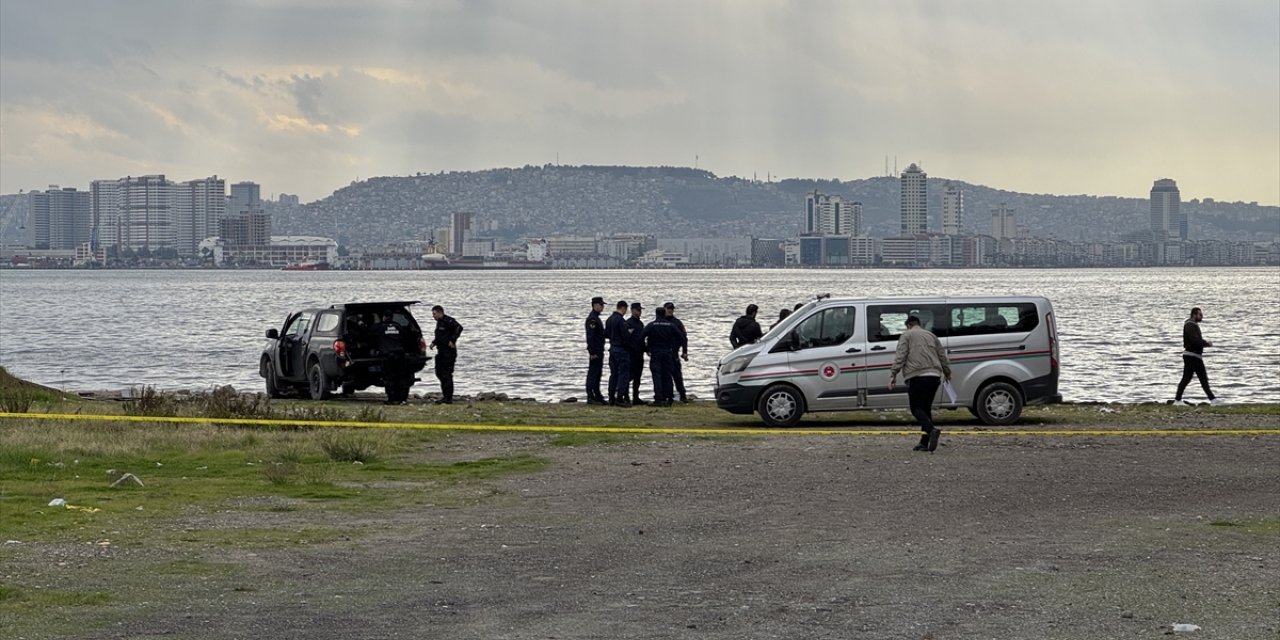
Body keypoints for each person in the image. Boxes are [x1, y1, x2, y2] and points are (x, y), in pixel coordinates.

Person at [888, 315, 952, 452]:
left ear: (908, 325)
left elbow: (901, 355)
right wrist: (947, 372)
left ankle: (931, 430)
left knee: (916, 408)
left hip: (918, 376)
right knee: (925, 409)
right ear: (919, 324)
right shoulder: (931, 335)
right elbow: (942, 355)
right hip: (934, 376)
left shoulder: (907, 335)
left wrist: (893, 374)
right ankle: (924, 442)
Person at [1172, 307, 1216, 405]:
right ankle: (1213, 400)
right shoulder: (1190, 325)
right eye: (1200, 315)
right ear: (1194, 314)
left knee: (1190, 378)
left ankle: (1178, 400)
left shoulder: (1192, 325)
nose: (1202, 317)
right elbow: (1195, 340)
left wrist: (1203, 344)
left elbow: (1196, 340)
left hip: (1194, 356)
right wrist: (1206, 343)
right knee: (1200, 378)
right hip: (1192, 356)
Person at [643, 306, 681, 406]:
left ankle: (659, 398)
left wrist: (646, 348)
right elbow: (681, 337)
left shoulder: (651, 325)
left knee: (657, 376)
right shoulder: (671, 325)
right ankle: (669, 398)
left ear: (656, 314)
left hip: (655, 353)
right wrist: (674, 348)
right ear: (664, 314)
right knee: (667, 375)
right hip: (668, 352)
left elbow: (641, 337)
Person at [372, 311, 409, 405]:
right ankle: (402, 398)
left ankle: (392, 399)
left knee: (390, 377)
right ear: (392, 317)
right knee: (401, 377)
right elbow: (405, 338)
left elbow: (367, 333)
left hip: (388, 356)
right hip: (400, 355)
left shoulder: (380, 327)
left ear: (384, 317)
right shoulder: (398, 326)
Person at [429, 305, 463, 404]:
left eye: (434, 314)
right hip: (441, 351)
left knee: (446, 374)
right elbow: (440, 336)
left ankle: (448, 398)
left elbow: (459, 328)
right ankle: (445, 396)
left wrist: (453, 340)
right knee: (439, 372)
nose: (433, 316)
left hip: (449, 352)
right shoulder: (439, 323)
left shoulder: (449, 321)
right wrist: (434, 343)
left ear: (440, 312)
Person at [605, 300, 632, 407]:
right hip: (621, 350)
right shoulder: (621, 321)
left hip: (612, 349)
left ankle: (611, 397)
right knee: (623, 374)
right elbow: (626, 336)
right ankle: (620, 398)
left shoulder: (609, 319)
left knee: (613, 374)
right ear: (624, 308)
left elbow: (606, 334)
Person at [663, 302, 689, 402]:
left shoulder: (677, 323)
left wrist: (685, 351)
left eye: (671, 309)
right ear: (664, 309)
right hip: (663, 352)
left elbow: (684, 338)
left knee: (677, 375)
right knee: (664, 375)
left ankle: (682, 395)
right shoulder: (660, 321)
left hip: (674, 352)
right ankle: (666, 395)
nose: (670, 310)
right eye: (668, 308)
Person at [584, 296, 607, 405]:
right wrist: (592, 352)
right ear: (594, 305)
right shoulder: (592, 319)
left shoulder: (596, 318)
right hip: (595, 350)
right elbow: (590, 336)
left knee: (598, 373)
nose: (602, 307)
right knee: (593, 373)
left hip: (599, 349)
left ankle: (597, 395)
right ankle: (590, 396)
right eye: (600, 305)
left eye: (603, 305)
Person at [626, 302, 646, 404]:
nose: (639, 312)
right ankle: (624, 395)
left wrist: (646, 349)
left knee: (638, 376)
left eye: (640, 310)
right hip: (631, 354)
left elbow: (642, 339)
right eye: (638, 310)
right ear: (632, 310)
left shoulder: (640, 324)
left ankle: (636, 397)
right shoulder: (628, 323)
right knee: (629, 376)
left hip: (640, 353)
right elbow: (626, 339)